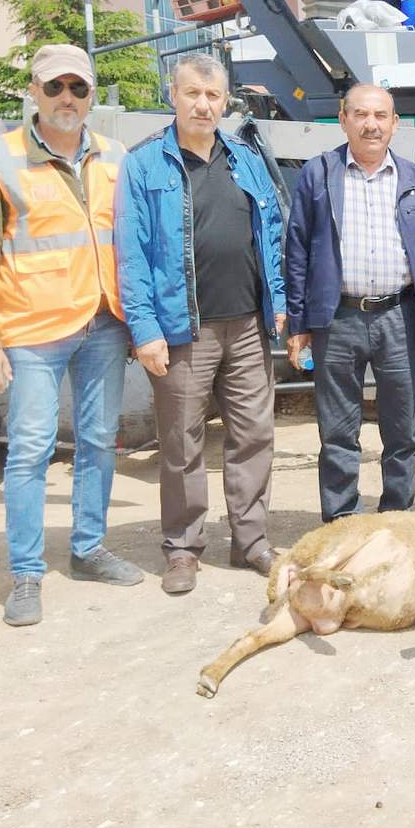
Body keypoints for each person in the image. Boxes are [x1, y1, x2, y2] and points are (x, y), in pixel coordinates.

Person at [0, 44, 142, 627]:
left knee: (98, 441)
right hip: (32, 331)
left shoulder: (114, 156)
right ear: (33, 92)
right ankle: (27, 572)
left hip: (104, 324)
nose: (67, 98)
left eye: (78, 89)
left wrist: (138, 320)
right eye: (55, 87)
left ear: (90, 97)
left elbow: (133, 245)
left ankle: (87, 549)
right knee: (31, 450)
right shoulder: (1, 157)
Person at [115, 54, 288, 595]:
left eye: (213, 96)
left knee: (254, 434)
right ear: (174, 95)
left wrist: (278, 300)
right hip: (180, 329)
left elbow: (272, 229)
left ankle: (251, 540)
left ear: (225, 101)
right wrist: (144, 329)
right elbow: (132, 254)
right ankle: (184, 547)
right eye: (193, 94)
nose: (203, 105)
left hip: (246, 325)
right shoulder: (145, 164)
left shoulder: (244, 157)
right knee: (182, 442)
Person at [285, 82, 415, 522]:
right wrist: (298, 324)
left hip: (399, 317)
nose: (370, 124)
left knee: (402, 430)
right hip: (336, 319)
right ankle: (342, 519)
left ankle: (397, 516)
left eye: (380, 116)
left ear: (395, 124)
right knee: (338, 430)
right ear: (343, 120)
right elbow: (296, 250)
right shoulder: (319, 175)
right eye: (360, 114)